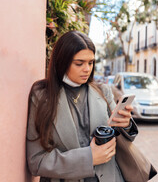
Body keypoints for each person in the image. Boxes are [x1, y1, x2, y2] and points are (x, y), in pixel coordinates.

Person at [27, 30, 138, 182]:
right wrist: (88, 158)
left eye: (91, 62)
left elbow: (121, 139)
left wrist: (125, 124)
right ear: (62, 62)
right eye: (79, 63)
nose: (87, 69)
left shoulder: (104, 91)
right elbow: (36, 161)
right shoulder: (42, 96)